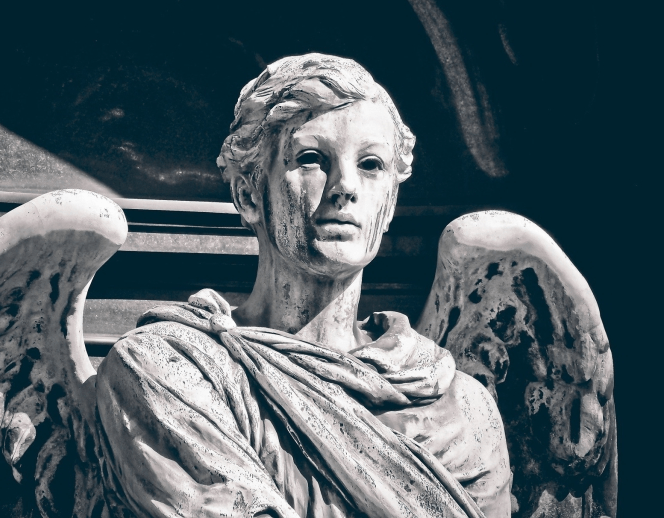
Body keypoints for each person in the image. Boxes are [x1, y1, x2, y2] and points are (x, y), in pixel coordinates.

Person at [95, 54, 511, 518]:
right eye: (312, 159)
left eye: (371, 164)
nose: (345, 186)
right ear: (248, 194)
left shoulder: (462, 410)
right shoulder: (167, 366)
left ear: (391, 204)